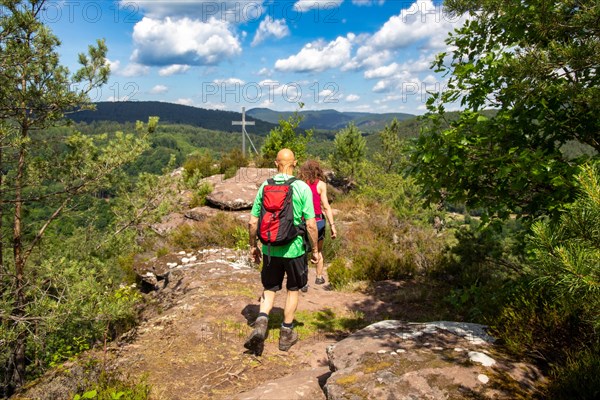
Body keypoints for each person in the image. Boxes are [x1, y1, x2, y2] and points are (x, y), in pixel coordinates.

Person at [244, 149, 319, 355]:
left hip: (270, 249)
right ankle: (286, 334)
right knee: (293, 288)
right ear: (294, 162)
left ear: (276, 163)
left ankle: (261, 322)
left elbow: (252, 222)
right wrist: (315, 250)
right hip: (294, 249)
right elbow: (311, 224)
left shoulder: (265, 186)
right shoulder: (302, 187)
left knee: (270, 288)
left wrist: (253, 246)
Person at [298, 160, 337, 285]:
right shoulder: (321, 185)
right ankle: (319, 277)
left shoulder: (300, 184)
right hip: (319, 221)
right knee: (318, 250)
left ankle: (304, 282)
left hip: (303, 221)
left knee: (303, 251)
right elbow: (326, 206)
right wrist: (332, 225)